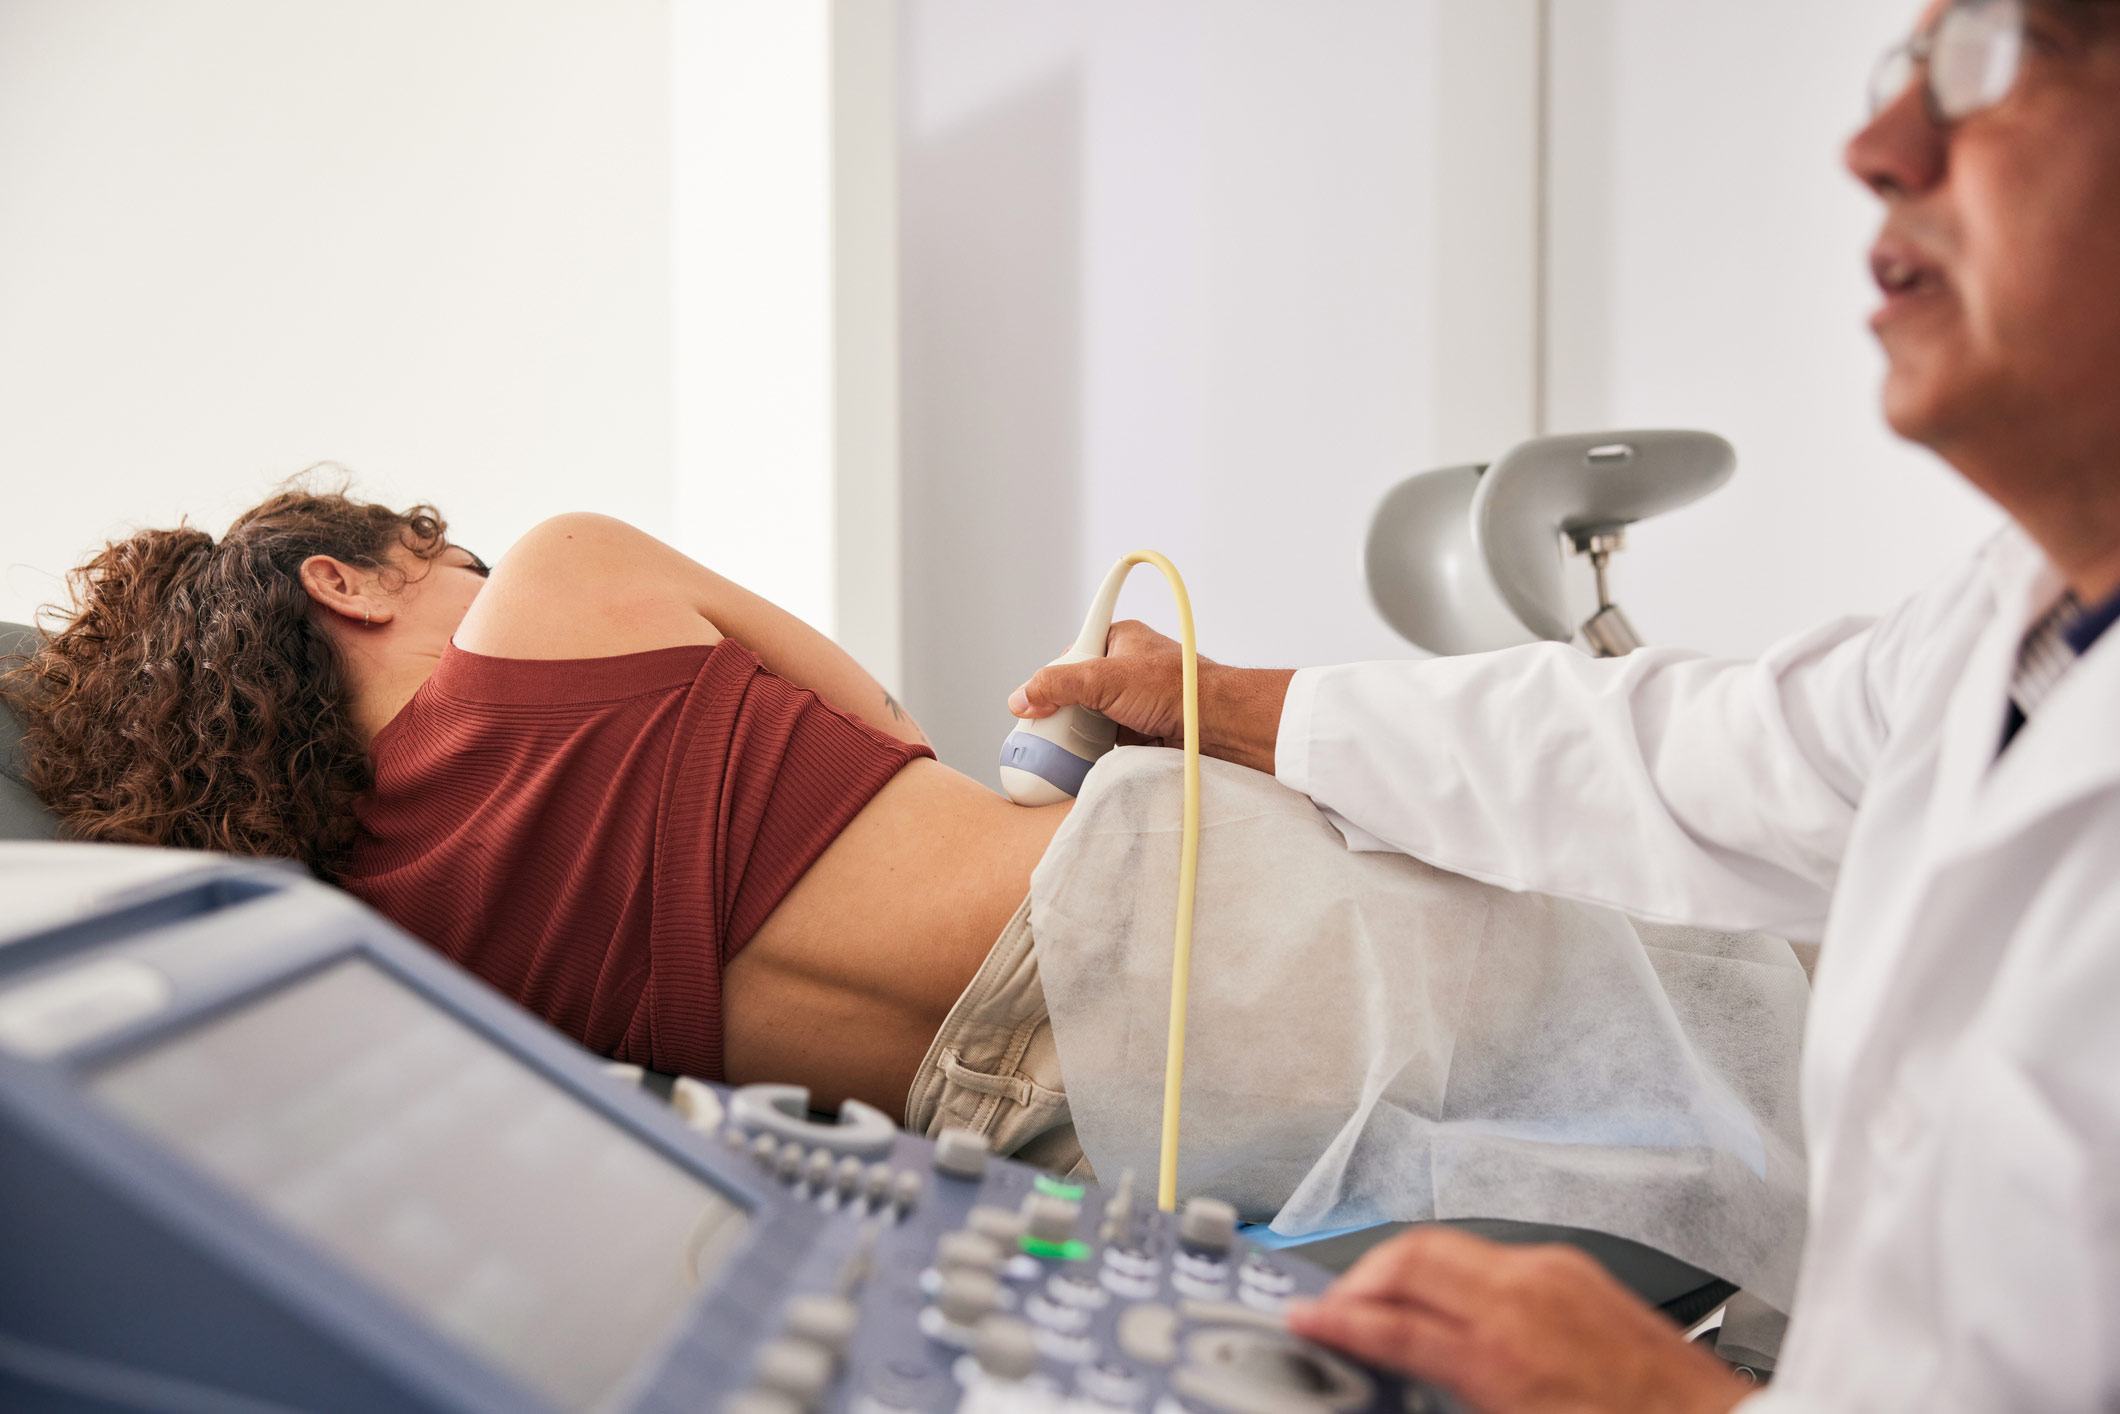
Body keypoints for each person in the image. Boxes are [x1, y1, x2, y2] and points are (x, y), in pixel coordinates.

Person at [1008, 0, 2120, 1407]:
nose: (1877, 144)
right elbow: (1670, 752)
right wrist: (1231, 706)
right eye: (1903, 66)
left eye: (2007, 56)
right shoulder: (2005, 625)